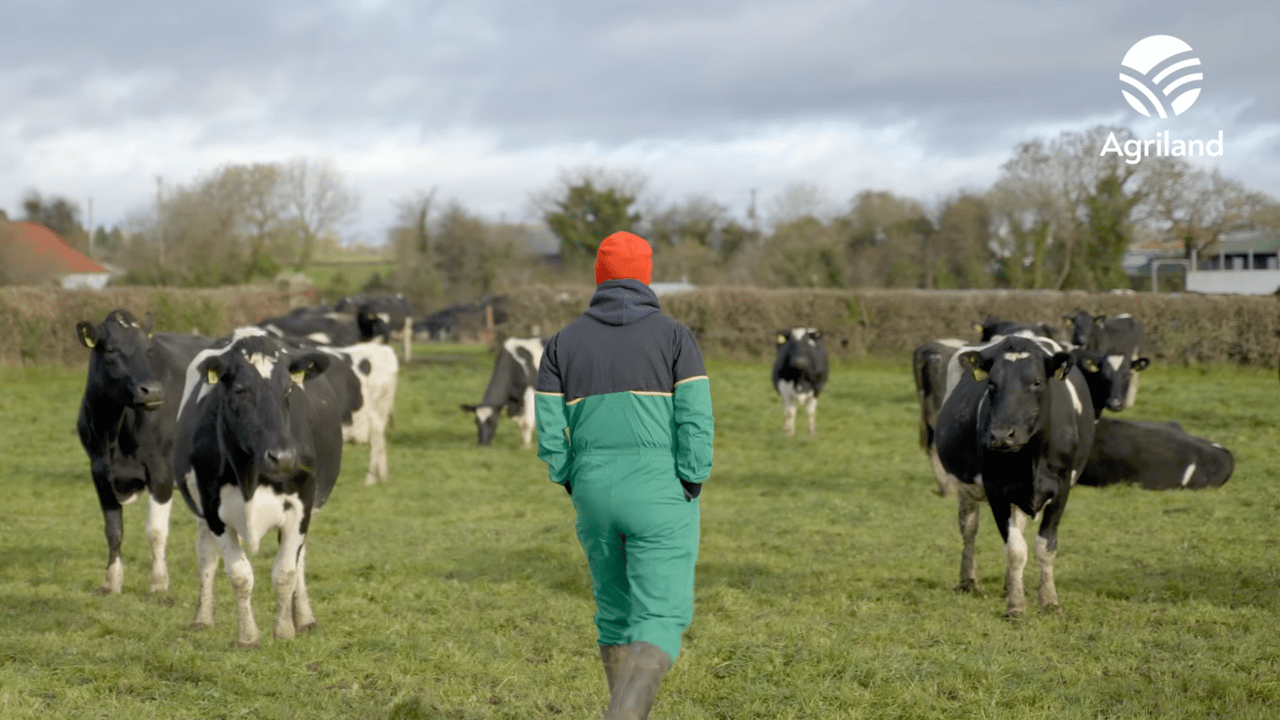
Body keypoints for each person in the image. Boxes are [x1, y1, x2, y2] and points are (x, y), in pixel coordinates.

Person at [534, 231, 714, 719]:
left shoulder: (562, 343)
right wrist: (692, 480)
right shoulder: (675, 336)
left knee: (614, 617)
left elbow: (549, 430)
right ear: (646, 276)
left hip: (592, 490)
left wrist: (571, 478)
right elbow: (695, 420)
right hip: (661, 490)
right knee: (660, 616)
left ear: (600, 276)